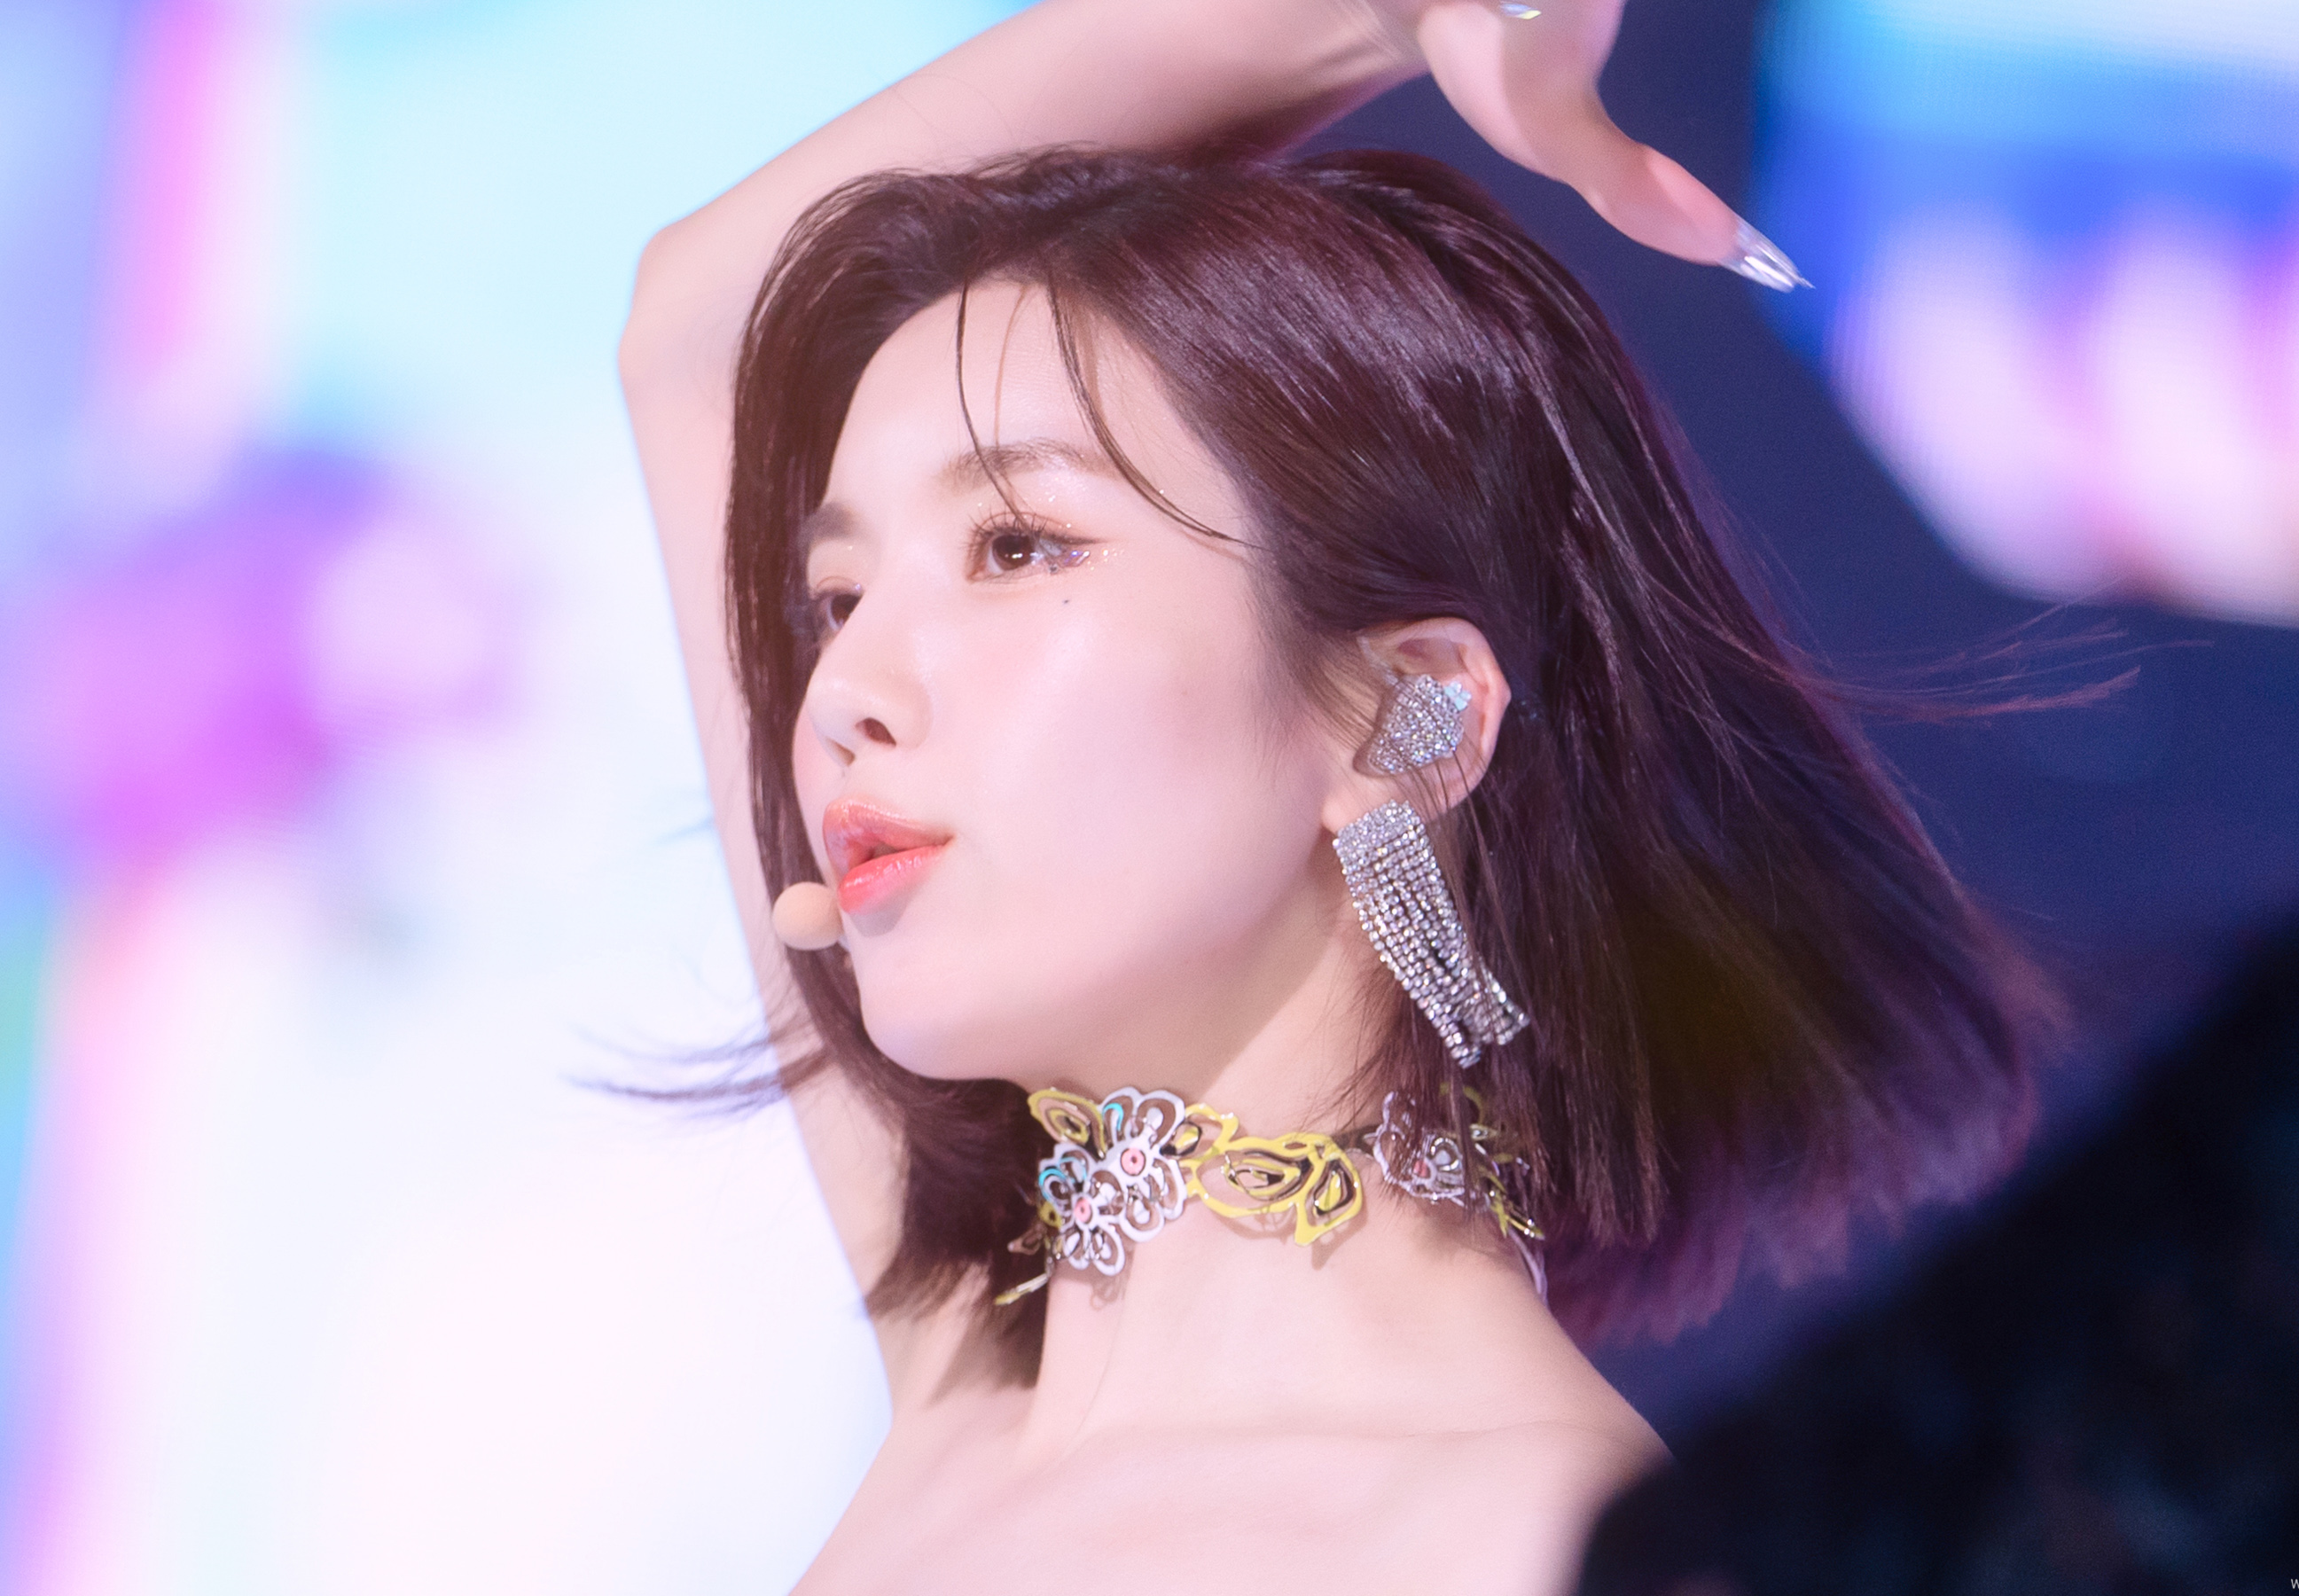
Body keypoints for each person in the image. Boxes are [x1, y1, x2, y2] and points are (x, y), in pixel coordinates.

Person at [618, 3, 2046, 1590]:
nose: (837, 694)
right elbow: (702, 327)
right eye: (835, 600)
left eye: (1015, 545)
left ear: (1404, 715)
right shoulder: (967, 1384)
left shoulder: (1533, 1540)